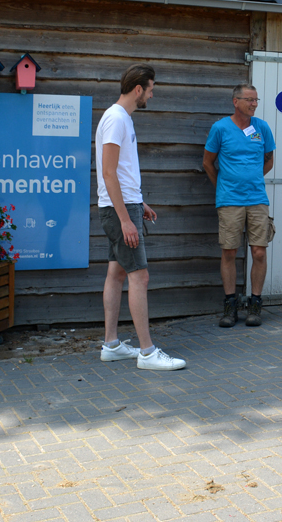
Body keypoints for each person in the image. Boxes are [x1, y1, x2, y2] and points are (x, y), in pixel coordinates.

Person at [96, 63, 186, 371]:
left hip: (125, 205)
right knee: (139, 277)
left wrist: (139, 202)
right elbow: (108, 172)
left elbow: (120, 172)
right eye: (150, 89)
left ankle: (111, 345)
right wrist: (125, 218)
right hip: (118, 210)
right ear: (138, 89)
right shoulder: (116, 119)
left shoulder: (121, 119)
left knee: (117, 274)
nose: (151, 94)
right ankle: (147, 353)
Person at [203, 83, 275, 327]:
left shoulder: (261, 128)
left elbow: (269, 160)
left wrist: (251, 178)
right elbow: (207, 163)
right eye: (249, 100)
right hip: (229, 200)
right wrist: (223, 185)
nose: (254, 104)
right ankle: (230, 306)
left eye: (256, 100)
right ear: (236, 101)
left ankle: (254, 304)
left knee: (259, 252)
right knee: (229, 252)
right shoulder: (220, 128)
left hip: (257, 199)